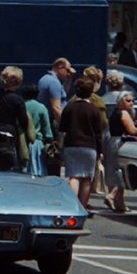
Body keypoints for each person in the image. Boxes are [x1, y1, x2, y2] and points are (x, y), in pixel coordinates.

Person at [58, 78, 103, 214]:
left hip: (72, 145)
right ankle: (82, 208)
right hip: (89, 147)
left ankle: (72, 205)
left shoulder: (69, 108)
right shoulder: (94, 110)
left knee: (74, 176)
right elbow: (98, 133)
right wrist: (100, 150)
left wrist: (60, 145)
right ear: (91, 92)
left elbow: (62, 128)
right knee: (87, 179)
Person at [104, 91, 137, 213]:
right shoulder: (123, 113)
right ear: (120, 101)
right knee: (123, 172)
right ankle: (112, 196)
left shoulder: (115, 112)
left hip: (113, 142)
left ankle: (120, 203)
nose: (131, 103)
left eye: (132, 101)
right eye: (128, 100)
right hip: (120, 143)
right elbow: (132, 130)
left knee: (115, 171)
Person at [0, 66, 31, 167]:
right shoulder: (17, 100)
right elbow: (24, 121)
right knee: (9, 163)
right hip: (9, 133)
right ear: (19, 82)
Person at [37, 57, 76, 175]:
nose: (69, 73)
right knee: (55, 155)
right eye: (68, 71)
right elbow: (56, 107)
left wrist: (69, 78)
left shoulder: (48, 79)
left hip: (50, 122)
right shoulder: (53, 82)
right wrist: (64, 127)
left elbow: (63, 92)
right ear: (60, 68)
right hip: (54, 123)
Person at [22, 84, 53, 176]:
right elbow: (46, 128)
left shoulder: (21, 106)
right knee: (37, 169)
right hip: (37, 143)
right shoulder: (41, 107)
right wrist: (49, 139)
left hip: (22, 141)